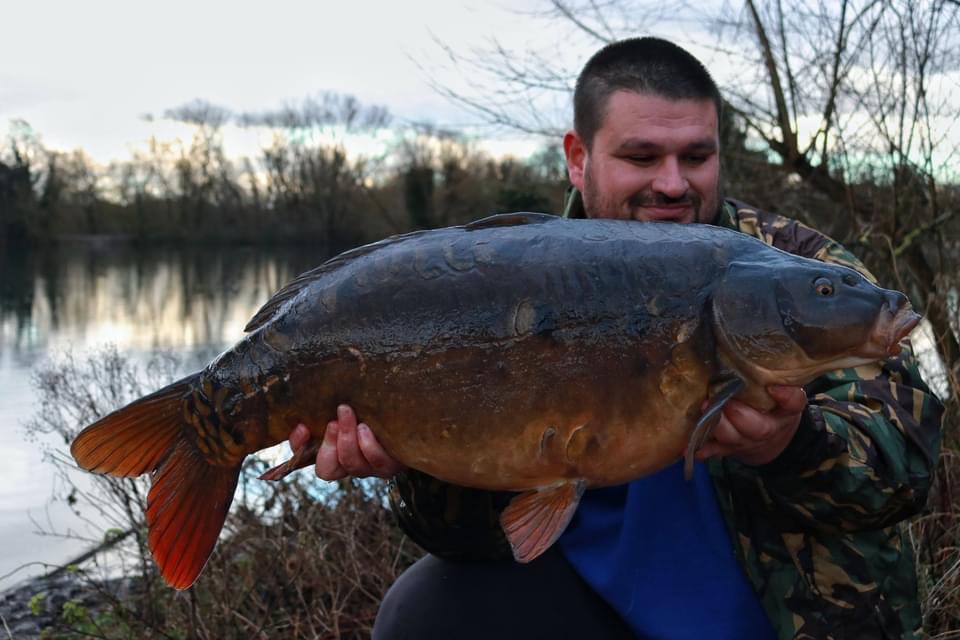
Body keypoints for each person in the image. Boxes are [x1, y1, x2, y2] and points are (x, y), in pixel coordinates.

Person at [287, 38, 944, 639]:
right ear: (578, 158)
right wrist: (407, 461)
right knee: (423, 614)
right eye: (641, 156)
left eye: (696, 156)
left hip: (782, 615)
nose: (672, 183)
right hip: (588, 609)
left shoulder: (796, 271)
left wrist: (789, 446)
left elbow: (908, 466)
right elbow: (467, 538)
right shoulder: (501, 277)